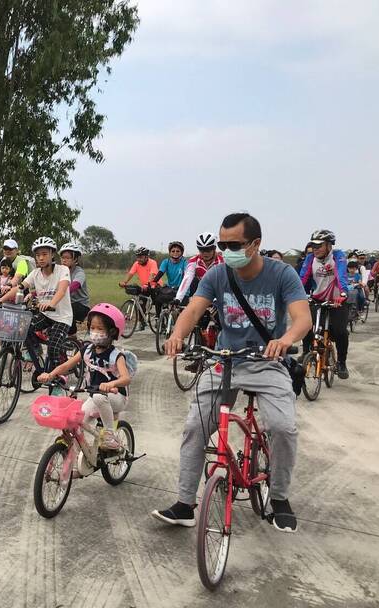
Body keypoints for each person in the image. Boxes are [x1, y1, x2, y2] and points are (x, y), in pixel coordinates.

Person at [151, 212, 311, 533]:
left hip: (267, 362)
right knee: (196, 427)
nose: (226, 251)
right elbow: (193, 309)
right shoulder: (218, 275)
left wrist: (285, 340)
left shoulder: (282, 274)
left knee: (282, 428)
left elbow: (302, 318)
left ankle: (278, 497)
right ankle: (185, 503)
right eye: (223, 244)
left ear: (255, 244)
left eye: (234, 244)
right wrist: (177, 335)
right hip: (226, 360)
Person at [38, 303, 131, 450]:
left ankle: (109, 435)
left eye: (100, 329)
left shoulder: (116, 355)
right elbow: (66, 366)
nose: (95, 332)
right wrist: (50, 375)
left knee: (99, 397)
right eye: (92, 328)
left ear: (112, 332)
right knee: (75, 421)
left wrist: (111, 384)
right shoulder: (86, 350)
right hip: (95, 395)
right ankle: (74, 464)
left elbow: (126, 378)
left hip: (116, 396)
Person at [0, 237, 73, 373]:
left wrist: (51, 303)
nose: (41, 258)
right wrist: (1, 299)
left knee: (53, 347)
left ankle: (59, 380)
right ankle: (35, 351)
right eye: (38, 255)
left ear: (52, 254)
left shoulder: (62, 270)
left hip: (62, 317)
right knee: (23, 327)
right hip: (46, 314)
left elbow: (61, 290)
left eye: (44, 254)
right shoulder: (35, 273)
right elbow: (19, 287)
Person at [299, 229, 351, 379]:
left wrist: (343, 294)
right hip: (317, 299)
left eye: (319, 246)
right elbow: (302, 278)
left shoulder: (338, 256)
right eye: (313, 246)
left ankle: (341, 362)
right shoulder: (310, 259)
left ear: (329, 245)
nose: (315, 249)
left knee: (340, 332)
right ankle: (306, 352)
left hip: (337, 299)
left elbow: (341, 275)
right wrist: (295, 293)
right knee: (308, 326)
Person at [119, 246, 161, 330]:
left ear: (146, 257)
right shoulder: (136, 264)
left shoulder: (152, 263)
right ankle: (141, 323)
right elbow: (131, 273)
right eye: (137, 257)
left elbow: (152, 274)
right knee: (141, 303)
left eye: (141, 257)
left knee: (157, 302)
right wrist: (124, 282)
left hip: (154, 285)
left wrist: (147, 283)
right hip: (144, 287)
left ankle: (158, 319)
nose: (139, 259)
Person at [175, 232, 223, 303]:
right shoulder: (194, 261)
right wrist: (178, 298)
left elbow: (222, 282)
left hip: (219, 291)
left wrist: (217, 298)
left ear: (214, 248)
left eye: (208, 249)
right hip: (202, 290)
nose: (205, 253)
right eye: (202, 250)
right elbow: (187, 278)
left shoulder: (221, 261)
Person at [59, 242, 90, 335]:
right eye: (63, 257)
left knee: (67, 310)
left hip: (81, 305)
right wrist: (33, 293)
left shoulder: (79, 272)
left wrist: (60, 292)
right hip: (66, 302)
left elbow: (75, 285)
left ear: (75, 259)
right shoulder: (60, 272)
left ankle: (72, 337)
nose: (64, 260)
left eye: (67, 258)